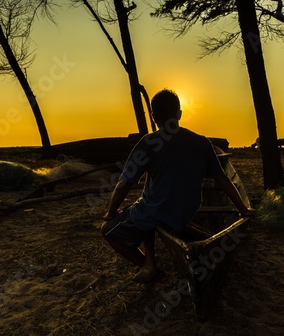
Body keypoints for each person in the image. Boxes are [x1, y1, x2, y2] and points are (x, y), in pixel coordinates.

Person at [101, 89, 254, 284]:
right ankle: (149, 261)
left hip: (159, 211)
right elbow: (222, 178)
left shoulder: (149, 143)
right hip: (187, 211)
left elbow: (124, 183)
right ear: (179, 114)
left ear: (154, 117)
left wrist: (111, 211)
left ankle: (149, 267)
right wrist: (243, 209)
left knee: (108, 231)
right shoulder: (202, 142)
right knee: (145, 203)